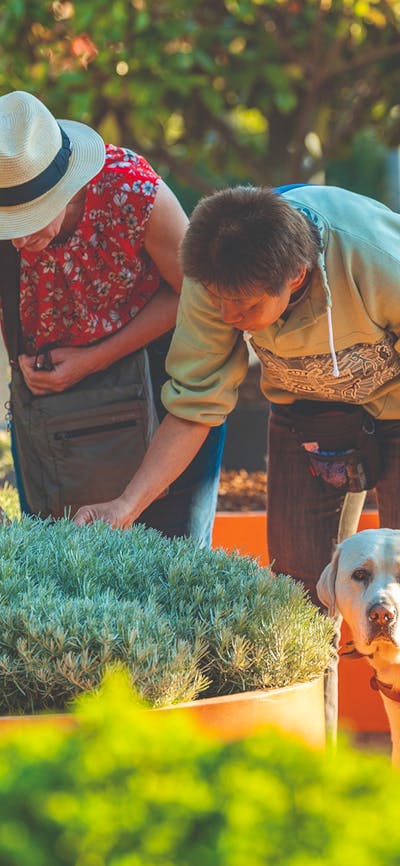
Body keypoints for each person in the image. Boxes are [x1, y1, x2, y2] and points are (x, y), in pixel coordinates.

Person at [75, 182, 400, 733]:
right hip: (308, 419)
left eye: (247, 307)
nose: (232, 317)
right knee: (297, 598)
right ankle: (310, 768)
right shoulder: (219, 278)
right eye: (221, 303)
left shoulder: (374, 258)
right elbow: (195, 404)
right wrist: (125, 505)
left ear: (296, 275)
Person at [0, 90, 225, 544]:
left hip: (160, 394)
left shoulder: (133, 193)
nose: (18, 241)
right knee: (61, 565)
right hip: (53, 415)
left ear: (65, 188)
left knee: (172, 563)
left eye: (29, 219)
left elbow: (196, 296)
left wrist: (93, 360)